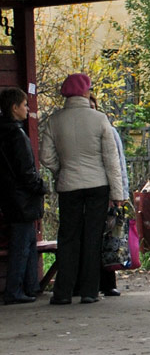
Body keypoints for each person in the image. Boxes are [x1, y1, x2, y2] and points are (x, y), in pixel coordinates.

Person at [39, 74, 126, 305]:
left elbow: (46, 156)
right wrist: (118, 194)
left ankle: (63, 292)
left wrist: (62, 170)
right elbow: (111, 159)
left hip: (69, 186)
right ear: (85, 92)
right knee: (92, 237)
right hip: (98, 185)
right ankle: (89, 291)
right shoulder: (99, 119)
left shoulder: (54, 120)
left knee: (68, 237)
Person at [1, 87, 46, 304]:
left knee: (26, 242)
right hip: (23, 199)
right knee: (23, 245)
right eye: (25, 105)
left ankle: (28, 287)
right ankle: (16, 289)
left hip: (11, 197)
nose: (28, 109)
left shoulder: (4, 133)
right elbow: (26, 170)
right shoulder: (17, 135)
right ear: (14, 107)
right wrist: (40, 186)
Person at [87, 93, 126, 298]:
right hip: (90, 192)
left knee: (109, 238)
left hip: (107, 193)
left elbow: (118, 163)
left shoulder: (108, 130)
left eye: (93, 106)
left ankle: (108, 282)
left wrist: (120, 192)